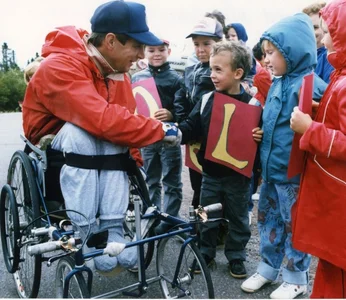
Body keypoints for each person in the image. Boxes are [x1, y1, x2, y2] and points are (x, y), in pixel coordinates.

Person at [22, 0, 181, 275]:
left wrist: (134, 162)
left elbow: (122, 120)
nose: (142, 54)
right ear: (111, 41)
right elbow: (101, 120)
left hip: (95, 133)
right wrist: (157, 130)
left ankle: (113, 231)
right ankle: (86, 233)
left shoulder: (117, 73)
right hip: (52, 135)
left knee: (112, 140)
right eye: (137, 45)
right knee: (83, 133)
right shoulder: (59, 66)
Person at [240, 13, 327, 299]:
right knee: (268, 220)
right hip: (271, 171)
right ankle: (267, 267)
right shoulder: (277, 82)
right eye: (264, 53)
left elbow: (327, 114)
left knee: (295, 227)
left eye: (271, 53)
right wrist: (261, 133)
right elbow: (273, 121)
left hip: (295, 175)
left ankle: (295, 277)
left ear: (292, 50)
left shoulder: (309, 83)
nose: (265, 60)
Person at [179, 40, 263, 279]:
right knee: (206, 215)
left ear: (238, 73)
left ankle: (236, 256)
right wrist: (173, 132)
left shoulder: (254, 106)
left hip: (239, 178)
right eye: (211, 69)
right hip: (211, 175)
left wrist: (260, 135)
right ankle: (205, 252)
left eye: (218, 69)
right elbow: (190, 127)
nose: (212, 75)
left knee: (238, 218)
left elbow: (260, 142)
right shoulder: (206, 100)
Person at [291, 0, 346, 297]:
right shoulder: (340, 75)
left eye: (327, 32)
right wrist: (316, 110)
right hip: (334, 193)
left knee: (335, 265)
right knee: (330, 263)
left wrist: (309, 128)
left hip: (337, 196)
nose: (323, 40)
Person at [131, 39, 183, 234]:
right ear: (144, 51)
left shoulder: (176, 78)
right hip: (147, 137)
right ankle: (153, 216)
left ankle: (170, 220)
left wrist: (171, 114)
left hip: (169, 138)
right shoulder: (137, 78)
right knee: (151, 179)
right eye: (151, 50)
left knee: (172, 181)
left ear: (168, 51)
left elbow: (182, 107)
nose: (156, 54)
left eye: (161, 50)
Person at [175, 17, 223, 210]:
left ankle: (213, 229)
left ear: (219, 44)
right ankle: (198, 228)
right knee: (197, 184)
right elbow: (180, 96)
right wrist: (180, 119)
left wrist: (188, 125)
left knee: (212, 185)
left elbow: (205, 103)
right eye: (196, 44)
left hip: (212, 137)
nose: (201, 49)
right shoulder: (190, 70)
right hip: (193, 137)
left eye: (206, 44)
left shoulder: (220, 73)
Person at [302, 1, 334, 83]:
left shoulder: (330, 57)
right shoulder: (305, 57)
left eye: (315, 27)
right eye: (307, 27)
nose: (311, 32)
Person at [224, 22, 257, 93]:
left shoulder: (247, 53)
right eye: (227, 37)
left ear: (240, 36)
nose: (230, 38)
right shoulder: (225, 52)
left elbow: (251, 74)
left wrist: (246, 83)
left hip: (244, 86)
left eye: (233, 36)